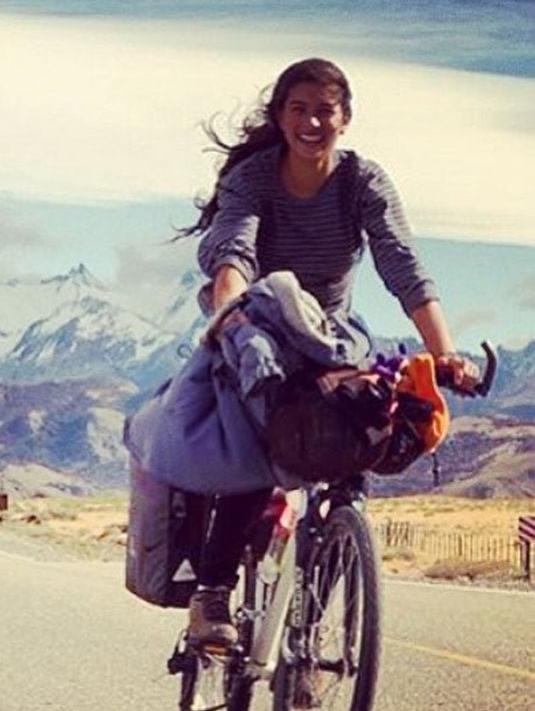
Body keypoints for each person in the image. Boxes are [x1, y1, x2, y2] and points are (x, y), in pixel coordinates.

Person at [180, 57, 479, 647]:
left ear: (345, 120)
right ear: (280, 116)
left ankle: (313, 631)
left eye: (325, 110)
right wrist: (232, 317)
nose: (312, 121)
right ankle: (211, 593)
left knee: (356, 448)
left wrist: (444, 354)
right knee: (255, 447)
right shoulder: (256, 178)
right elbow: (233, 253)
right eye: (299, 108)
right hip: (258, 327)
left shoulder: (362, 181)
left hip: (334, 338)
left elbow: (402, 265)